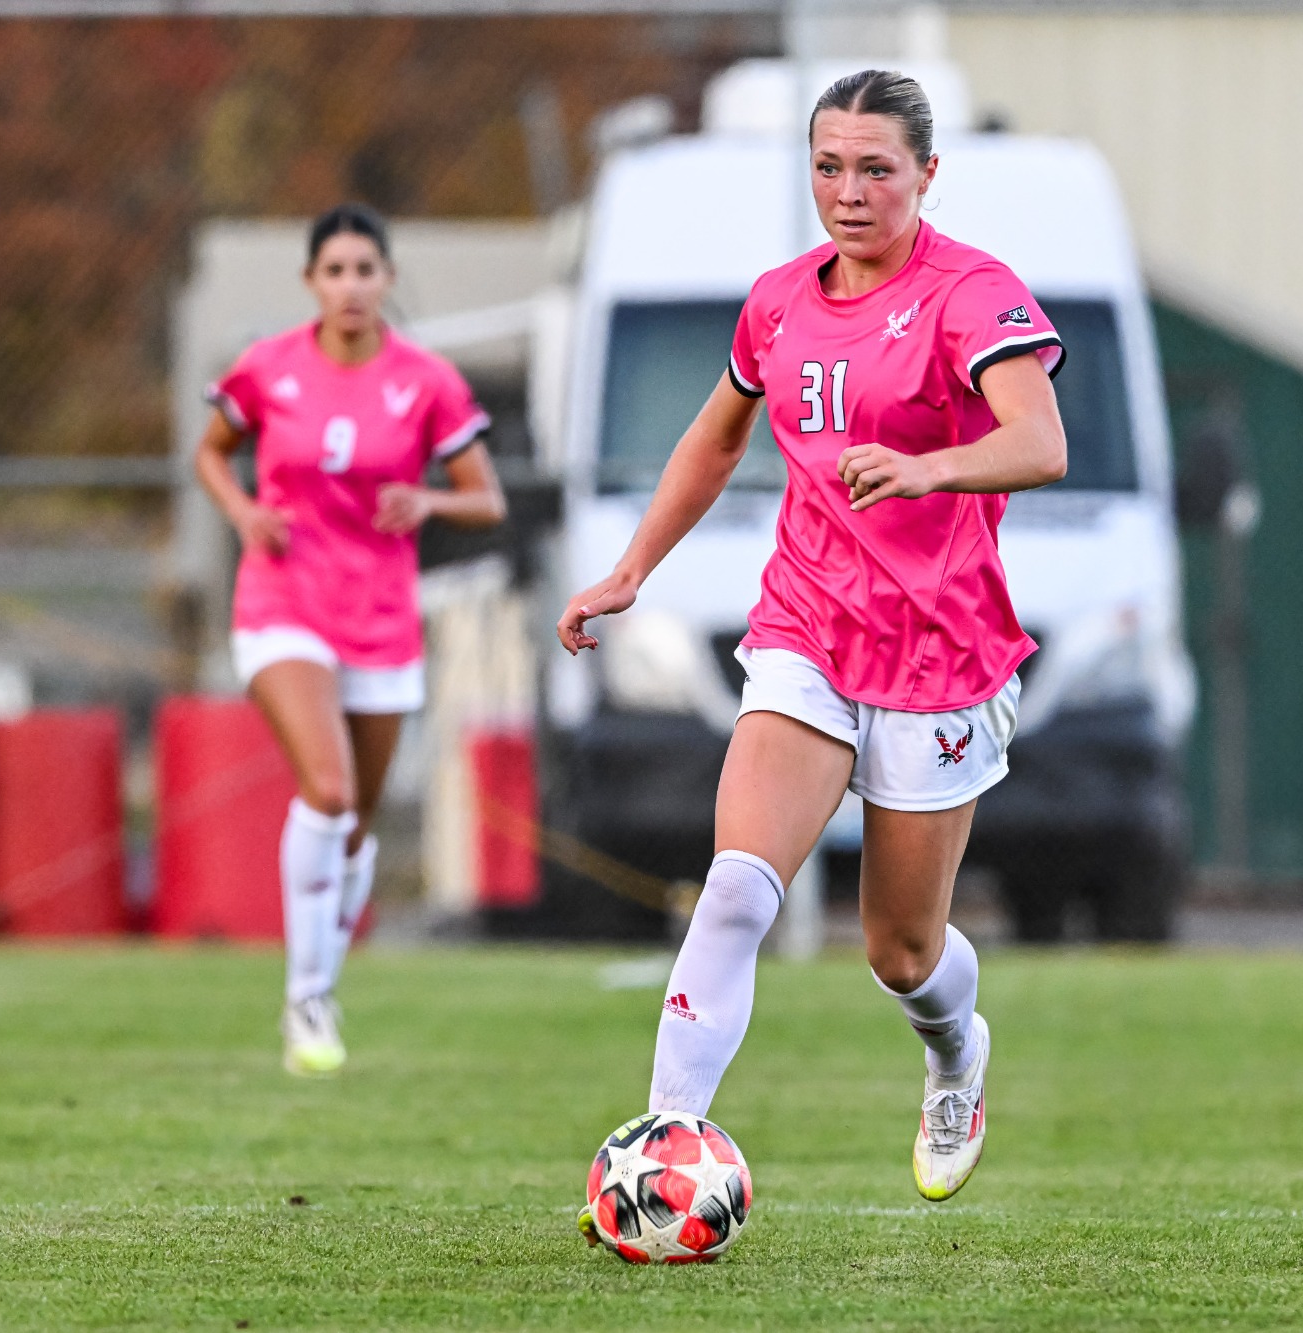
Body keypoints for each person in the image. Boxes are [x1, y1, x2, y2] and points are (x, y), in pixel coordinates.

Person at [559, 70, 1067, 1206]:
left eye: (875, 169)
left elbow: (1039, 442)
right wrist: (630, 570)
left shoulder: (971, 294)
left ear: (925, 175)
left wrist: (929, 465)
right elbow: (712, 438)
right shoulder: (780, 299)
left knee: (899, 951)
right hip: (804, 628)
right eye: (828, 166)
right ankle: (662, 1151)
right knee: (736, 887)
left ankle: (954, 1054)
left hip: (938, 653)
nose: (848, 191)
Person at [194, 203, 505, 1074]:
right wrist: (245, 510)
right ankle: (304, 997)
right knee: (326, 789)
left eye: (366, 269)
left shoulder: (427, 381)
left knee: (357, 828)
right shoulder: (269, 367)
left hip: (380, 617)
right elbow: (211, 453)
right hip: (282, 600)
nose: (351, 286)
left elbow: (487, 497)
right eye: (334, 270)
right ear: (310, 283)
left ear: (387, 280)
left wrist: (431, 502)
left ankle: (322, 984)